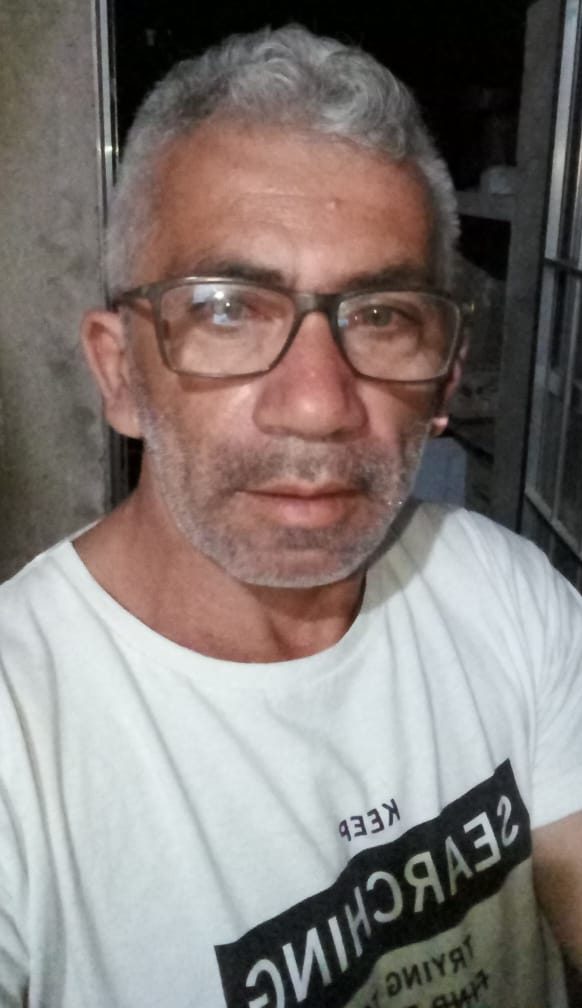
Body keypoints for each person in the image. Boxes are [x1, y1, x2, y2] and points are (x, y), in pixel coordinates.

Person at [0, 23, 581, 1008]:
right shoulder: (22, 744)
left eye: (384, 316)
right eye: (228, 308)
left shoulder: (507, 594)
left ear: (443, 379)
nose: (317, 404)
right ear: (120, 372)